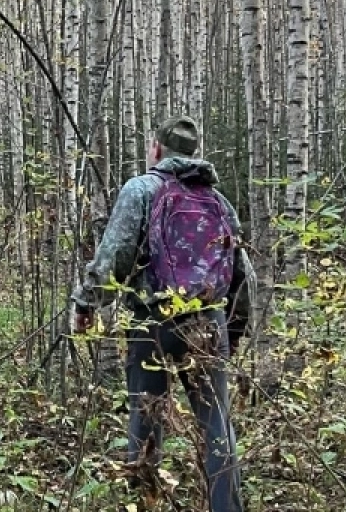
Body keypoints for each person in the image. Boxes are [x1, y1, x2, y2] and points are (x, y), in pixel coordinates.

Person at [70, 116, 254, 512]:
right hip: (208, 323)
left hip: (152, 321)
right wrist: (233, 330)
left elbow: (113, 255)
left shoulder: (141, 189)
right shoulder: (219, 203)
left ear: (156, 149)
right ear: (193, 153)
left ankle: (143, 501)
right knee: (216, 424)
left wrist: (86, 303)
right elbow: (242, 275)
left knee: (146, 419)